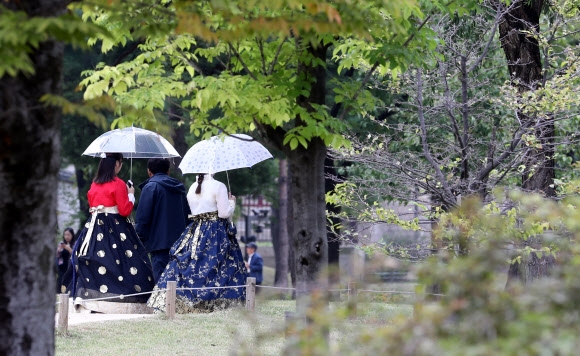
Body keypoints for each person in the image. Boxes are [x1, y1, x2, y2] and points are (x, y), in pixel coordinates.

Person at [62, 152, 154, 313]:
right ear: (116, 164)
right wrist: (131, 195)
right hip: (115, 227)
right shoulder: (118, 184)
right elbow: (125, 210)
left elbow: (93, 205)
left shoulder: (94, 184)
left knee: (91, 259)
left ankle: (89, 299)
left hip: (93, 227)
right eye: (121, 163)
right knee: (124, 261)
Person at [147, 173, 248, 313]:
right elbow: (224, 214)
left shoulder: (193, 187)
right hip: (216, 232)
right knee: (221, 265)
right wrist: (232, 203)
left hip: (196, 231)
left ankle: (177, 301)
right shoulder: (219, 186)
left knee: (190, 262)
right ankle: (218, 304)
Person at [135, 158, 191, 283]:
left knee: (161, 285)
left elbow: (143, 218)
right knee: (178, 284)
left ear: (149, 172)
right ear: (168, 171)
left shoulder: (150, 187)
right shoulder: (179, 189)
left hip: (158, 245)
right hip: (180, 245)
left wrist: (139, 240)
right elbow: (188, 216)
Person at [56, 227, 76, 293]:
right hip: (62, 267)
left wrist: (69, 249)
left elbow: (75, 255)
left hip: (70, 267)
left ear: (72, 235)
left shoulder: (75, 244)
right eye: (65, 235)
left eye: (68, 235)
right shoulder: (61, 244)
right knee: (61, 282)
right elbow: (57, 256)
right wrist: (59, 250)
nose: (66, 237)